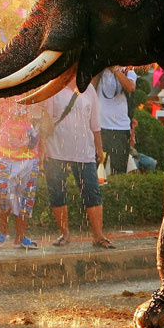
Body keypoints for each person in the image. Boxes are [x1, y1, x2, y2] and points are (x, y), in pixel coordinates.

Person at [42, 78, 115, 249]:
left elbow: (95, 122)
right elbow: (46, 121)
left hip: (84, 151)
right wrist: (43, 145)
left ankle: (98, 236)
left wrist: (99, 148)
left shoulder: (88, 89)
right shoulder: (54, 87)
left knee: (92, 191)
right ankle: (65, 234)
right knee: (57, 192)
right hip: (56, 149)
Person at [0, 98, 41, 249]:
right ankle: (3, 232)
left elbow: (40, 124)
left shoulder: (36, 93)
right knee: (2, 194)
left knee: (25, 196)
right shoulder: (3, 94)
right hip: (6, 155)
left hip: (29, 156)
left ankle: (21, 237)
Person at [96, 66, 137, 175]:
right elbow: (89, 86)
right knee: (96, 168)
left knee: (119, 170)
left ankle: (116, 191)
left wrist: (115, 70)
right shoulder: (100, 72)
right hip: (99, 127)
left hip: (120, 128)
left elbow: (130, 87)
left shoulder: (128, 71)